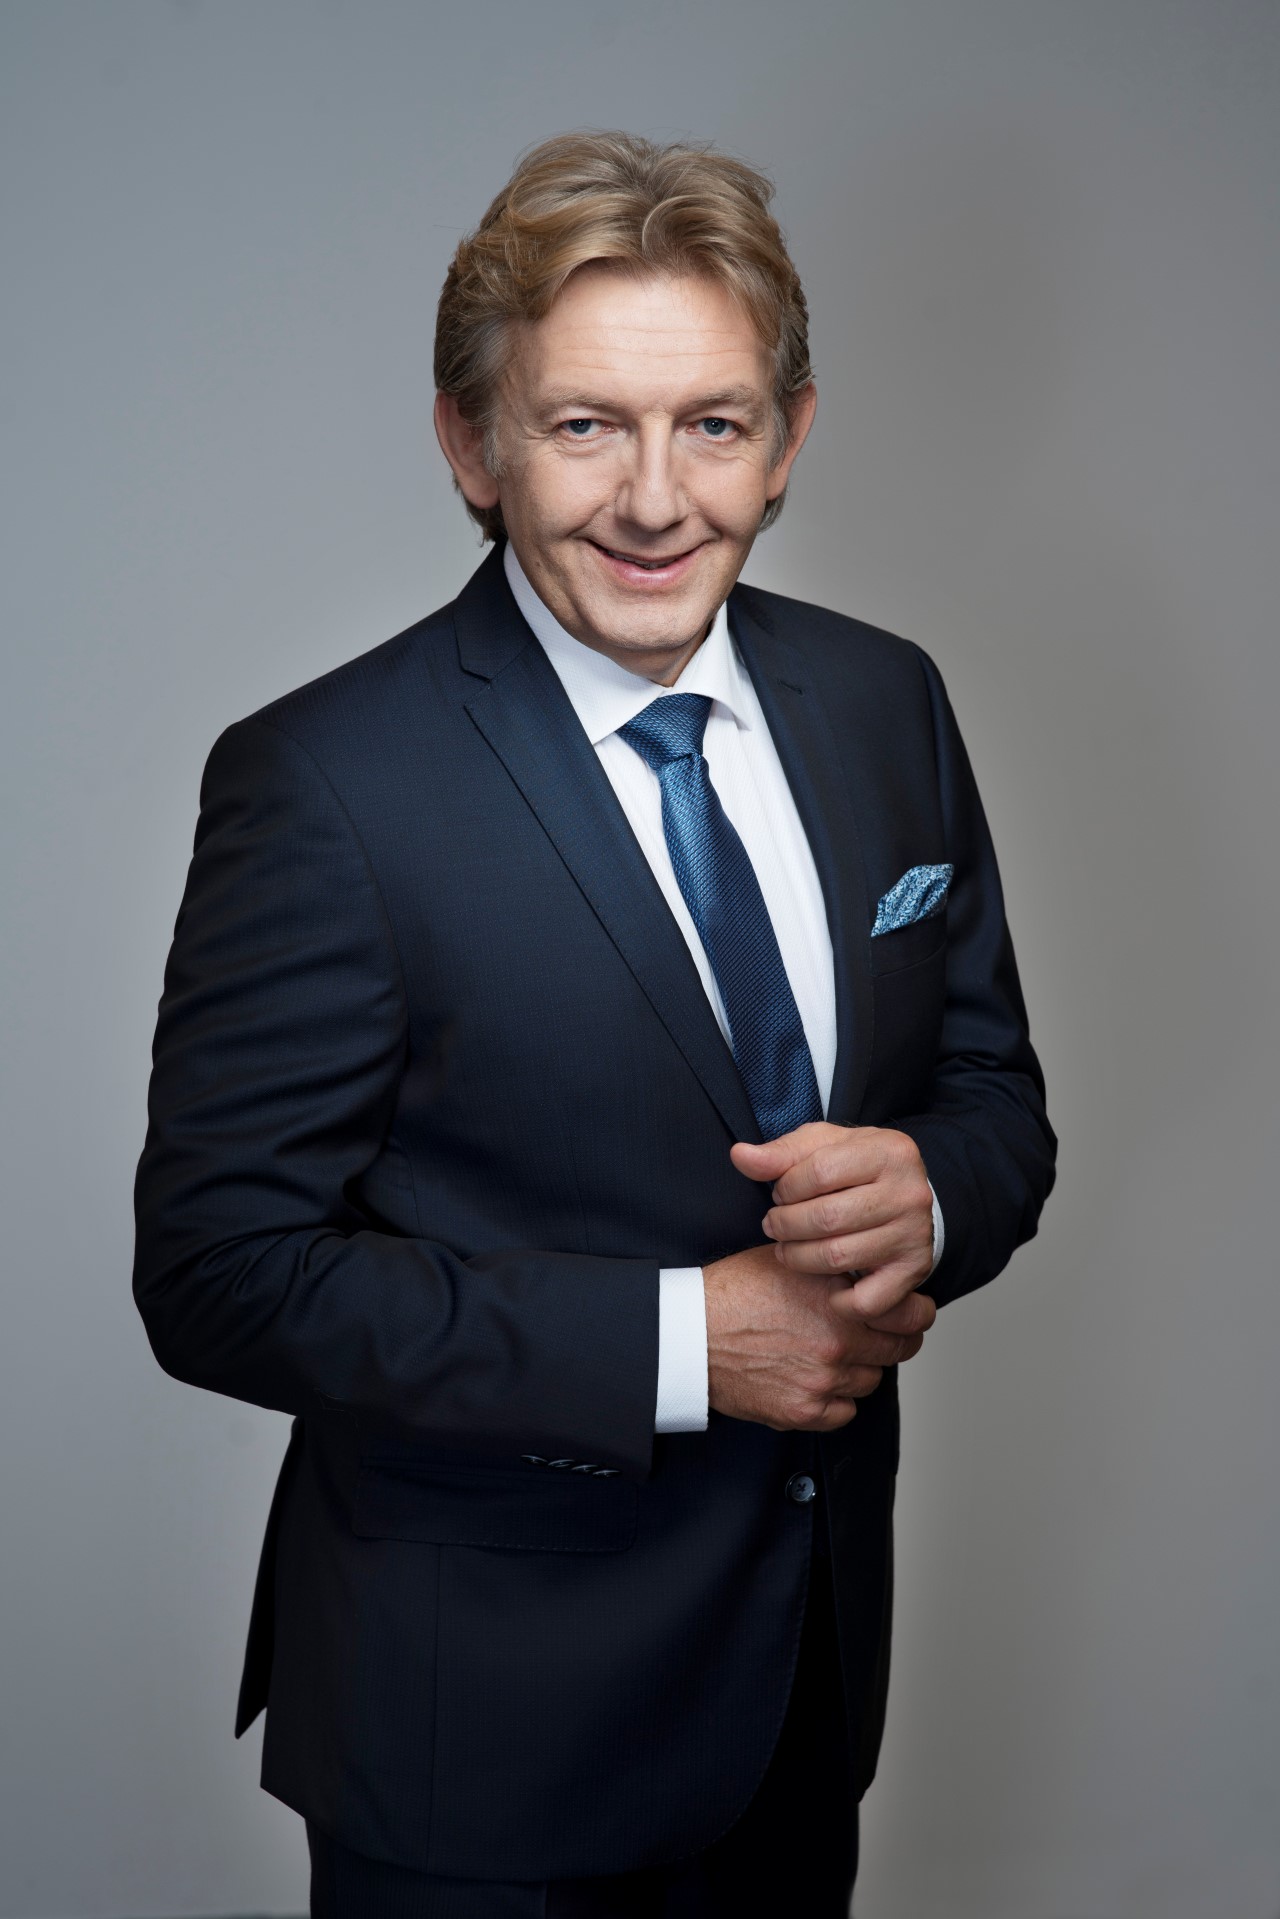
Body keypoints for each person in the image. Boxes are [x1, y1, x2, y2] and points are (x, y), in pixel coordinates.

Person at [133, 130, 1055, 1918]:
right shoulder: (325, 783)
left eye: (711, 424)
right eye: (582, 426)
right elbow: (219, 1273)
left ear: (789, 439)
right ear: (470, 445)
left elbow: (991, 1089)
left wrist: (932, 1193)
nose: (654, 499)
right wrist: (683, 1343)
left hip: (802, 1699)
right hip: (478, 1750)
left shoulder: (887, 703)